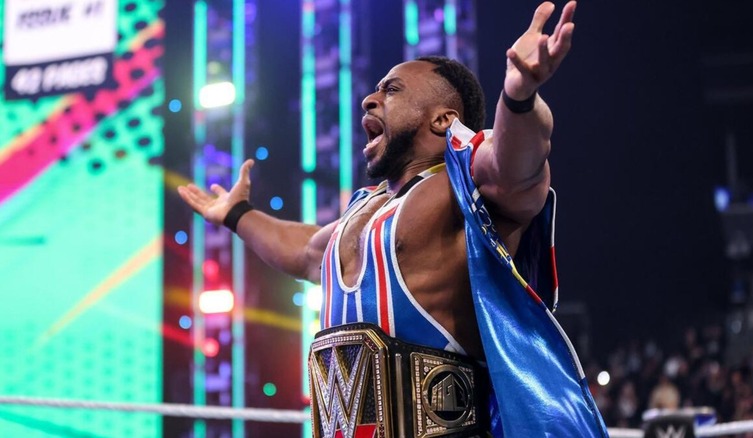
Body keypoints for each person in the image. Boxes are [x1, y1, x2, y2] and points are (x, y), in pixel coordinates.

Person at [179, 1, 607, 436]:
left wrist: (519, 97)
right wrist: (236, 214)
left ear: (443, 119)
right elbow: (304, 251)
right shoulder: (363, 210)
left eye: (392, 90)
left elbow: (520, 166)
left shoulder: (468, 182)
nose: (370, 98)